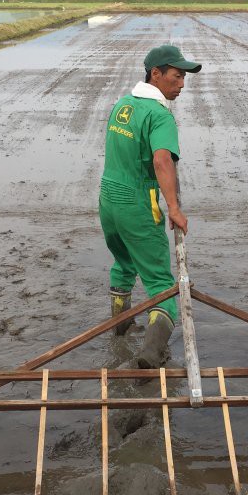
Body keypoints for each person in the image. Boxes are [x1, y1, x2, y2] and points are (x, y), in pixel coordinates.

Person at [99, 44, 202, 367]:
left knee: (124, 263)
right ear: (155, 74)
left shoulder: (124, 104)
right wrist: (173, 207)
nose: (182, 84)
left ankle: (121, 325)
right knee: (161, 283)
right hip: (137, 203)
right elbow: (161, 161)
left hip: (108, 198)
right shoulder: (159, 115)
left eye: (184, 77)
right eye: (176, 76)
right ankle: (151, 353)